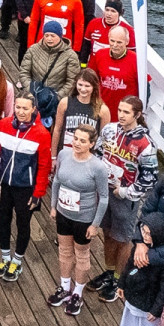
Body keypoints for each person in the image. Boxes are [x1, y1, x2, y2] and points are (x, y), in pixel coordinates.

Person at [94, 95, 158, 303]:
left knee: (123, 238)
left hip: (125, 198)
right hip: (105, 192)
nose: (121, 115)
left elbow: (150, 178)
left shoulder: (145, 144)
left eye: (126, 112)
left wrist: (126, 192)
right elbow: (97, 152)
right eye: (119, 110)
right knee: (107, 233)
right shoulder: (109, 130)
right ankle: (109, 271)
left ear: (137, 115)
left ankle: (118, 279)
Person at [0, 90, 53, 283]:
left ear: (33, 109)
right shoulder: (3, 125)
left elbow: (44, 166)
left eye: (25, 108)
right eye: (18, 107)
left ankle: (17, 260)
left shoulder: (42, 133)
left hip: (26, 188)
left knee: (23, 224)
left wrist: (38, 192)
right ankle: (5, 258)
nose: (21, 111)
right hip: (3, 184)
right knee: (3, 220)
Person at [47, 123, 110, 316]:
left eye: (83, 141)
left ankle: (78, 293)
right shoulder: (64, 155)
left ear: (91, 144)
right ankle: (65, 287)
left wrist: (95, 224)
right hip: (64, 213)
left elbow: (104, 197)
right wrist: (53, 206)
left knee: (81, 254)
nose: (77, 143)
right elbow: (57, 180)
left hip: (84, 218)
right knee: (65, 252)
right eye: (75, 138)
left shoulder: (97, 167)